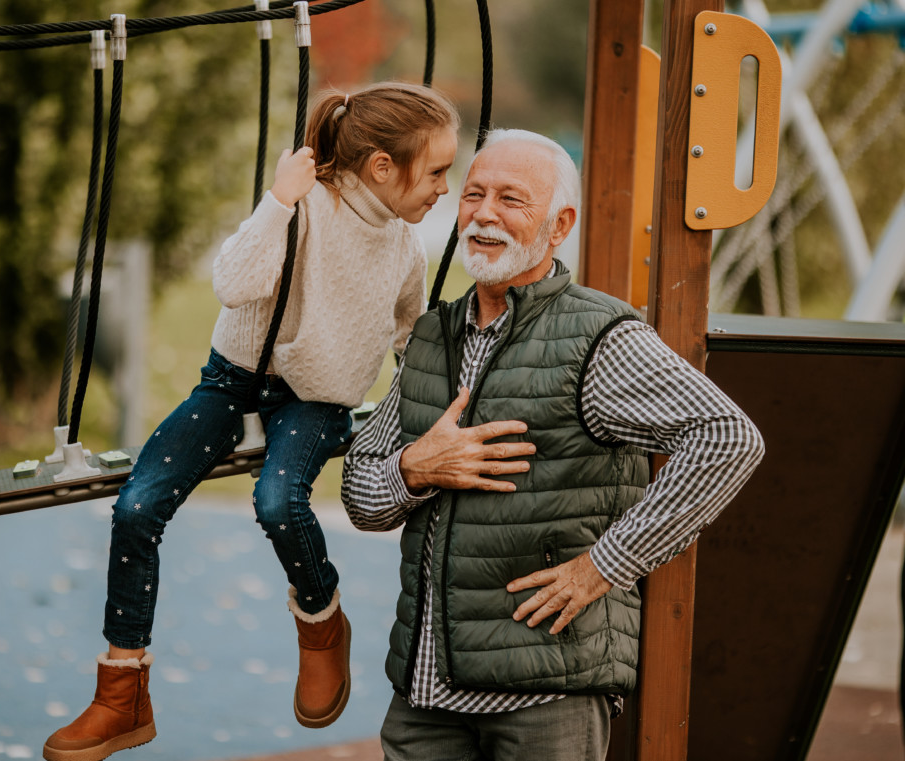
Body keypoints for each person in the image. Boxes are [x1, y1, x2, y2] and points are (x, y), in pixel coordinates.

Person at [42, 81, 460, 761]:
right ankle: (122, 692)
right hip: (235, 376)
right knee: (137, 505)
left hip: (316, 400)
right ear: (383, 167)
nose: (446, 185)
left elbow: (411, 338)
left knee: (278, 498)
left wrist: (442, 398)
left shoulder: (405, 251)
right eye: (438, 170)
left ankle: (322, 620)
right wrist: (278, 201)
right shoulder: (305, 209)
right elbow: (234, 283)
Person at [341, 128, 766, 761]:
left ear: (558, 224)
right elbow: (360, 497)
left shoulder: (599, 335)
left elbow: (728, 439)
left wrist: (604, 568)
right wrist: (413, 468)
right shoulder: (431, 337)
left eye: (510, 199)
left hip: (546, 698)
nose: (484, 213)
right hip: (424, 699)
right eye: (474, 194)